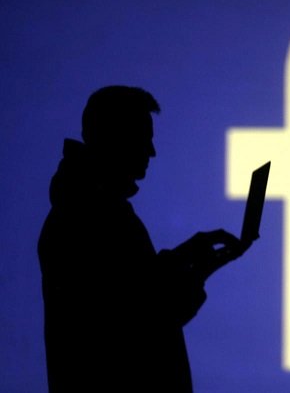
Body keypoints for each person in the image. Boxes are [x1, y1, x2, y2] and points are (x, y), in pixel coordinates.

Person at [38, 86, 251, 392]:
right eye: (143, 139)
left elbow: (132, 286)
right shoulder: (92, 217)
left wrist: (184, 257)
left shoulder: (91, 210)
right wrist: (197, 273)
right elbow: (137, 324)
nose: (151, 151)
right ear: (115, 137)